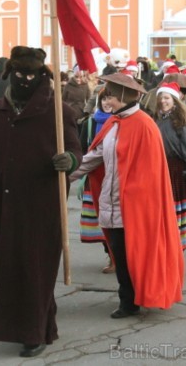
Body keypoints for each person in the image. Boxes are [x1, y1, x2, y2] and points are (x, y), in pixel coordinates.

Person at [0, 46, 82, 357]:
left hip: (42, 205)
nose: (25, 79)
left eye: (32, 75)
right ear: (9, 74)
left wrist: (68, 160)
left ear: (42, 76)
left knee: (35, 270)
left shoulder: (58, 112)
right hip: (3, 203)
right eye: (19, 74)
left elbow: (75, 151)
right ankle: (42, 324)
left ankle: (34, 333)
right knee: (5, 270)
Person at [69, 73, 184, 321]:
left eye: (109, 94)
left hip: (135, 205)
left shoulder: (144, 125)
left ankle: (130, 300)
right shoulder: (113, 123)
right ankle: (130, 297)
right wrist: (65, 173)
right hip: (113, 203)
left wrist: (133, 197)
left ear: (122, 97)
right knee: (120, 254)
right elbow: (94, 157)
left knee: (132, 253)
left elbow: (150, 173)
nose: (106, 99)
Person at [152, 82, 186, 249]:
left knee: (176, 213)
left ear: (174, 100)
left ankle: (176, 247)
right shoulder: (156, 120)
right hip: (161, 170)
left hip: (177, 173)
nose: (163, 101)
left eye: (166, 98)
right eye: (160, 98)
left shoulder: (182, 123)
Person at [78, 86, 114, 273]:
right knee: (100, 219)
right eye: (104, 99)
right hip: (94, 174)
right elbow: (82, 150)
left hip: (114, 175)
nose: (107, 103)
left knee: (114, 218)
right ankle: (110, 254)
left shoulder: (121, 122)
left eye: (110, 98)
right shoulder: (90, 124)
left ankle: (115, 257)